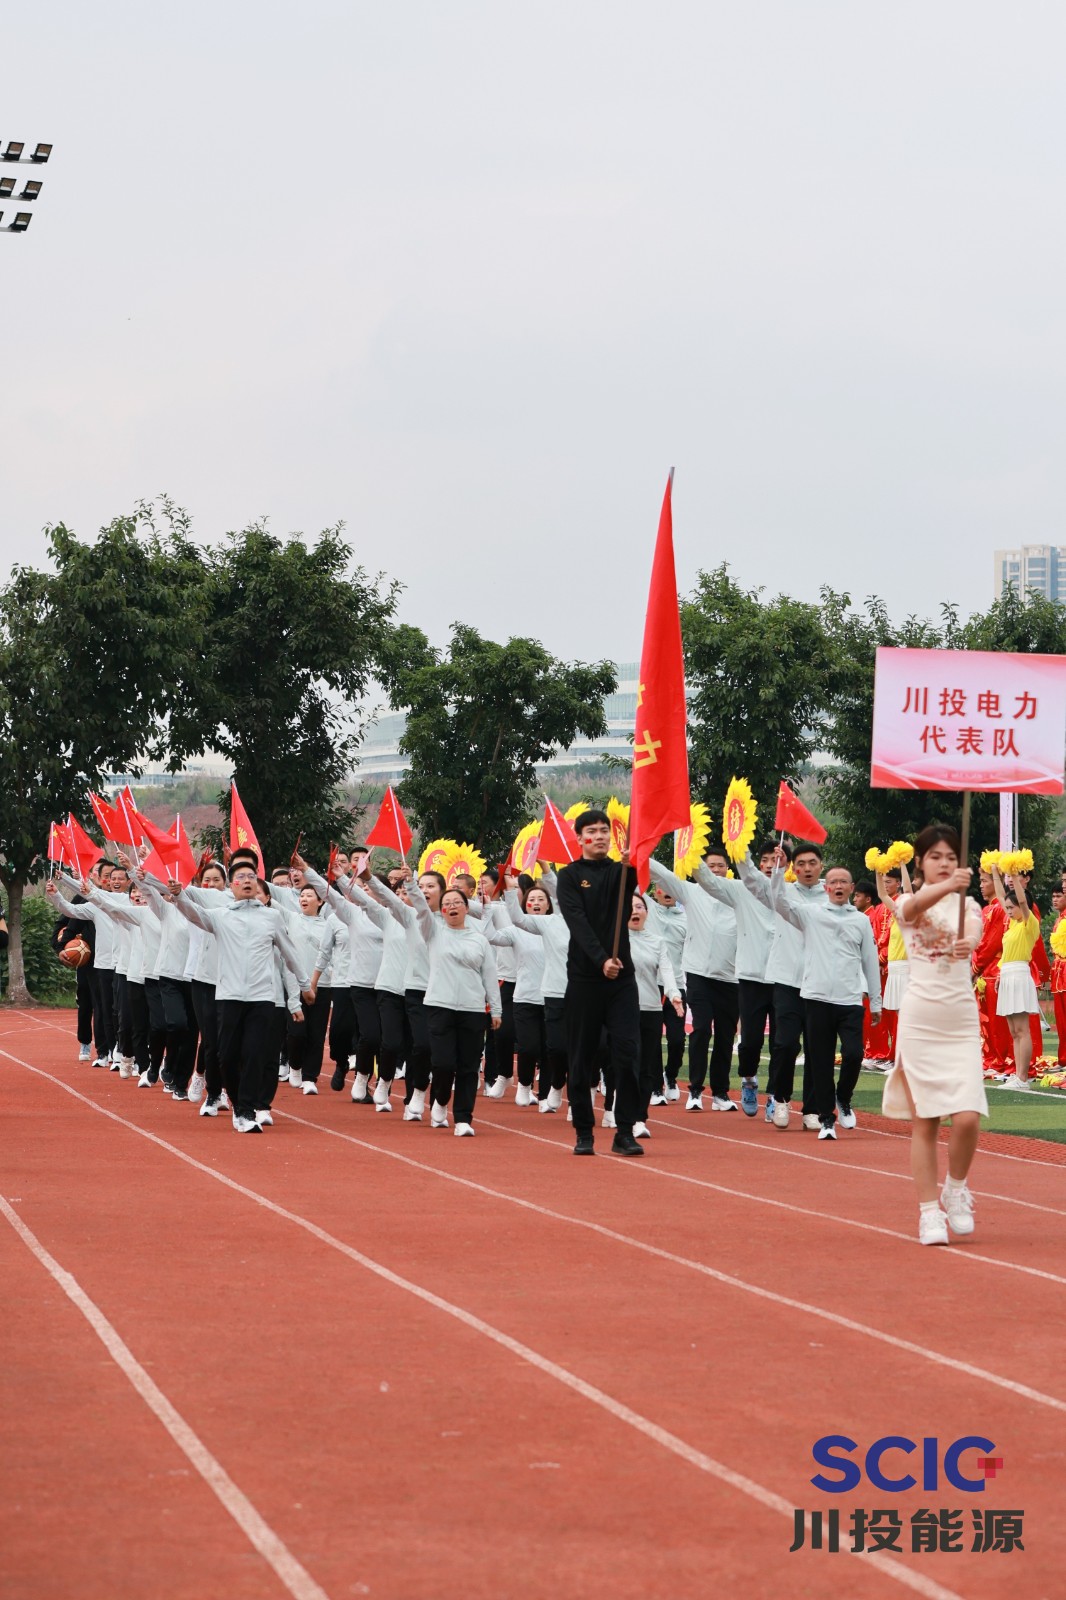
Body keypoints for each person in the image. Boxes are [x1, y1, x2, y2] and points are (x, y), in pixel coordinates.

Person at [880, 825, 986, 1245]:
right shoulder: (909, 902)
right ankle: (928, 1213)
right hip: (921, 1022)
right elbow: (913, 908)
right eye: (936, 857)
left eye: (951, 857)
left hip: (960, 1022)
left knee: (967, 1117)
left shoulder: (969, 905)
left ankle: (955, 1189)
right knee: (925, 1122)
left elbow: (974, 930)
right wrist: (948, 886)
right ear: (921, 862)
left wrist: (968, 943)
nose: (944, 864)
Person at [169, 862, 311, 1132]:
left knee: (254, 1054)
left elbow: (289, 952)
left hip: (262, 998)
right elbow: (195, 914)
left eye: (251, 877)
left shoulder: (272, 917)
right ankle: (236, 1101)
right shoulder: (220, 916)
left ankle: (246, 1110)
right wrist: (178, 896)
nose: (247, 880)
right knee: (227, 1056)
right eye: (240, 877)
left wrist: (304, 985)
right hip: (229, 996)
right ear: (231, 886)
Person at [770, 862, 881, 1140]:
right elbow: (780, 902)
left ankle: (843, 1097)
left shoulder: (861, 921)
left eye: (844, 882)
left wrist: (876, 1002)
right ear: (826, 887)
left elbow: (870, 962)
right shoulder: (811, 914)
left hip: (849, 999)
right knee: (820, 1061)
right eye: (834, 882)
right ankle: (826, 1119)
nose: (839, 886)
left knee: (854, 1054)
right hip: (816, 998)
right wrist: (778, 871)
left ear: (852, 888)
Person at [556, 810, 642, 1157]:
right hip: (585, 979)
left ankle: (625, 1131)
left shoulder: (621, 872)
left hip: (622, 979)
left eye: (605, 830)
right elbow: (577, 922)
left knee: (627, 1053)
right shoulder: (569, 876)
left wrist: (632, 865)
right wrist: (600, 959)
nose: (601, 836)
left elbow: (632, 884)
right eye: (592, 831)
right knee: (581, 1058)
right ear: (579, 838)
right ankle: (583, 1132)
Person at [686, 839, 779, 1119]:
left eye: (776, 860)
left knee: (783, 1043)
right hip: (748, 978)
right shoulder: (741, 891)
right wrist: (687, 838)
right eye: (765, 860)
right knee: (746, 1041)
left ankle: (776, 1097)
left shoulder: (793, 895)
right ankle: (743, 1080)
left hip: (782, 980)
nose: (770, 865)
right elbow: (709, 877)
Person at [738, 841, 825, 1129]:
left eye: (813, 863)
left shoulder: (831, 896)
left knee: (816, 1049)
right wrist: (739, 843)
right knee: (786, 1044)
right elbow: (752, 880)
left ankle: (812, 1110)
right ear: (792, 868)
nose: (807, 869)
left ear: (821, 866)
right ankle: (781, 1099)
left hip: (819, 983)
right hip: (787, 981)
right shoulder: (781, 892)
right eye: (801, 864)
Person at [648, 846, 739, 1113]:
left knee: (725, 1036)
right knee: (701, 1030)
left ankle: (720, 1092)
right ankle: (696, 1090)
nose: (716, 870)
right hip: (698, 975)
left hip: (731, 978)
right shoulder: (691, 892)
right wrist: (641, 853)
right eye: (710, 866)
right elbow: (663, 876)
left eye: (720, 865)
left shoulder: (737, 896)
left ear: (728, 869)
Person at [407, 878, 501, 1136]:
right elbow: (421, 908)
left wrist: (496, 1009)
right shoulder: (433, 932)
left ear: (467, 908)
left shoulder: (479, 939)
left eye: (457, 902)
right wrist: (410, 884)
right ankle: (439, 1100)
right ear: (442, 909)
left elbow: (489, 975)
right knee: (443, 1063)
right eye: (447, 903)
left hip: (472, 1010)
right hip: (440, 1006)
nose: (452, 907)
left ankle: (463, 1118)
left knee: (469, 1066)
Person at [627, 892, 683, 1138]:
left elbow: (667, 971)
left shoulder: (657, 942)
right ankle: (621, 1105)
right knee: (627, 1062)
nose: (635, 911)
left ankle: (639, 1118)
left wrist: (674, 994)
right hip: (622, 1010)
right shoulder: (614, 940)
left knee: (646, 1066)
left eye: (640, 906)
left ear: (647, 913)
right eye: (630, 907)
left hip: (651, 1009)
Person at [990, 862, 1042, 1091]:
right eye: (1008, 908)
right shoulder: (1012, 925)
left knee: (1022, 1030)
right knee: (1014, 1031)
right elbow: (1002, 896)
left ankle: (1023, 1077)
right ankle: (1017, 1075)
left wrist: (1012, 873)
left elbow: (1021, 900)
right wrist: (995, 872)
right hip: (1008, 975)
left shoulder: (1029, 924)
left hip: (1020, 975)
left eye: (1012, 908)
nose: (1009, 911)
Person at [647, 881, 687, 1101]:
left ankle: (670, 1075)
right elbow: (632, 885)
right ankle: (655, 1086)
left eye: (671, 888)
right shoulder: (648, 910)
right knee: (652, 1039)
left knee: (677, 1039)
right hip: (651, 985)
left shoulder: (686, 918)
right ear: (655, 892)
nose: (668, 892)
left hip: (677, 986)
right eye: (662, 887)